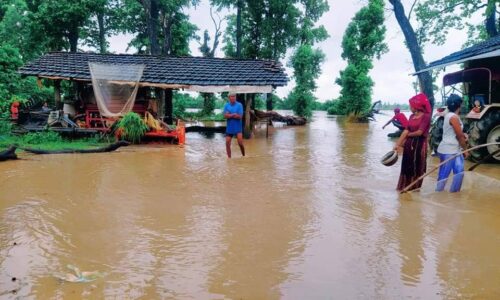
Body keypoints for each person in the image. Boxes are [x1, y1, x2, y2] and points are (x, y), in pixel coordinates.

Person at [394, 93, 432, 192]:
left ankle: (414, 189)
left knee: (417, 167)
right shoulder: (411, 116)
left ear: (417, 106)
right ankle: (403, 188)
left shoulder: (426, 117)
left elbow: (419, 132)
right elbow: (406, 130)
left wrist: (408, 135)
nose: (410, 107)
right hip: (408, 146)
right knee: (406, 166)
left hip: (419, 146)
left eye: (411, 106)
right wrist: (397, 144)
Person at [435, 94, 469, 192]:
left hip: (454, 150)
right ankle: (438, 194)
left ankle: (454, 196)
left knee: (459, 172)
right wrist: (466, 150)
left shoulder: (449, 115)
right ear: (459, 105)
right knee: (444, 175)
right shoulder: (453, 117)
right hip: (448, 151)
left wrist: (463, 134)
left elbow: (456, 133)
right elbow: (459, 136)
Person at [223, 93, 245, 158]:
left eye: (234, 96)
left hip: (238, 128)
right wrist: (233, 114)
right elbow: (225, 116)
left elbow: (240, 116)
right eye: (231, 96)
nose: (233, 98)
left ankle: (244, 156)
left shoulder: (239, 105)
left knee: (240, 143)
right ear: (229, 98)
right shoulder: (226, 105)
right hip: (229, 128)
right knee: (227, 143)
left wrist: (229, 114)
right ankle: (229, 158)